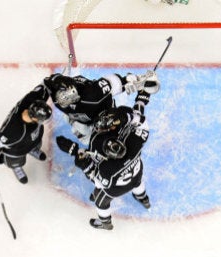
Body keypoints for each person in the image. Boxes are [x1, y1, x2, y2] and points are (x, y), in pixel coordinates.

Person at [56, 87, 157, 230]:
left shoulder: (106, 169)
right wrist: (141, 99)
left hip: (115, 188)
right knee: (137, 182)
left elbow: (98, 182)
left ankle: (106, 223)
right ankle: (143, 198)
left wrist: (75, 153)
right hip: (136, 172)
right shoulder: (134, 143)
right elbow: (140, 121)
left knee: (100, 201)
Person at [43, 70, 159, 144]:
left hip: (103, 113)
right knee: (87, 139)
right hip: (80, 119)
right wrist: (57, 79)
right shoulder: (55, 94)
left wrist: (138, 81)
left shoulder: (92, 96)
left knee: (114, 133)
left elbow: (118, 82)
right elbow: (47, 81)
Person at [0, 85, 53, 184]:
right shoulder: (12, 131)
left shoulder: (33, 98)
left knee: (36, 142)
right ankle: (16, 167)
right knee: (15, 161)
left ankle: (32, 149)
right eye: (42, 120)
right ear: (35, 118)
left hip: (32, 137)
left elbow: (45, 86)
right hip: (16, 150)